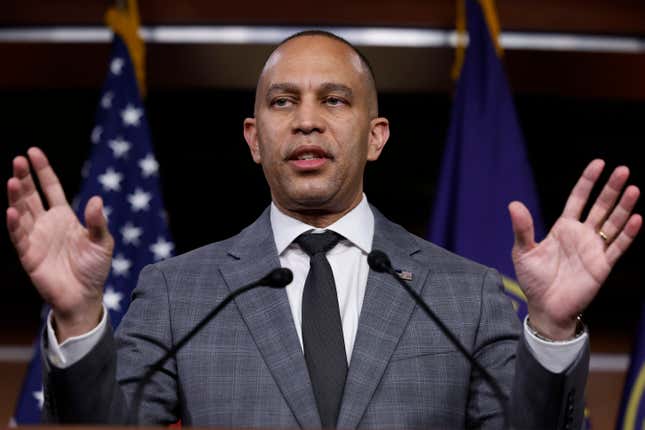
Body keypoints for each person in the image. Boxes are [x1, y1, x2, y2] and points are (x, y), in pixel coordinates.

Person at [6, 31, 642, 429]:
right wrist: (80, 318)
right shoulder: (180, 291)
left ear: (376, 136)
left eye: (334, 100)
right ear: (254, 140)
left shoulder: (465, 293)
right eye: (283, 102)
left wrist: (553, 329)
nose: (307, 121)